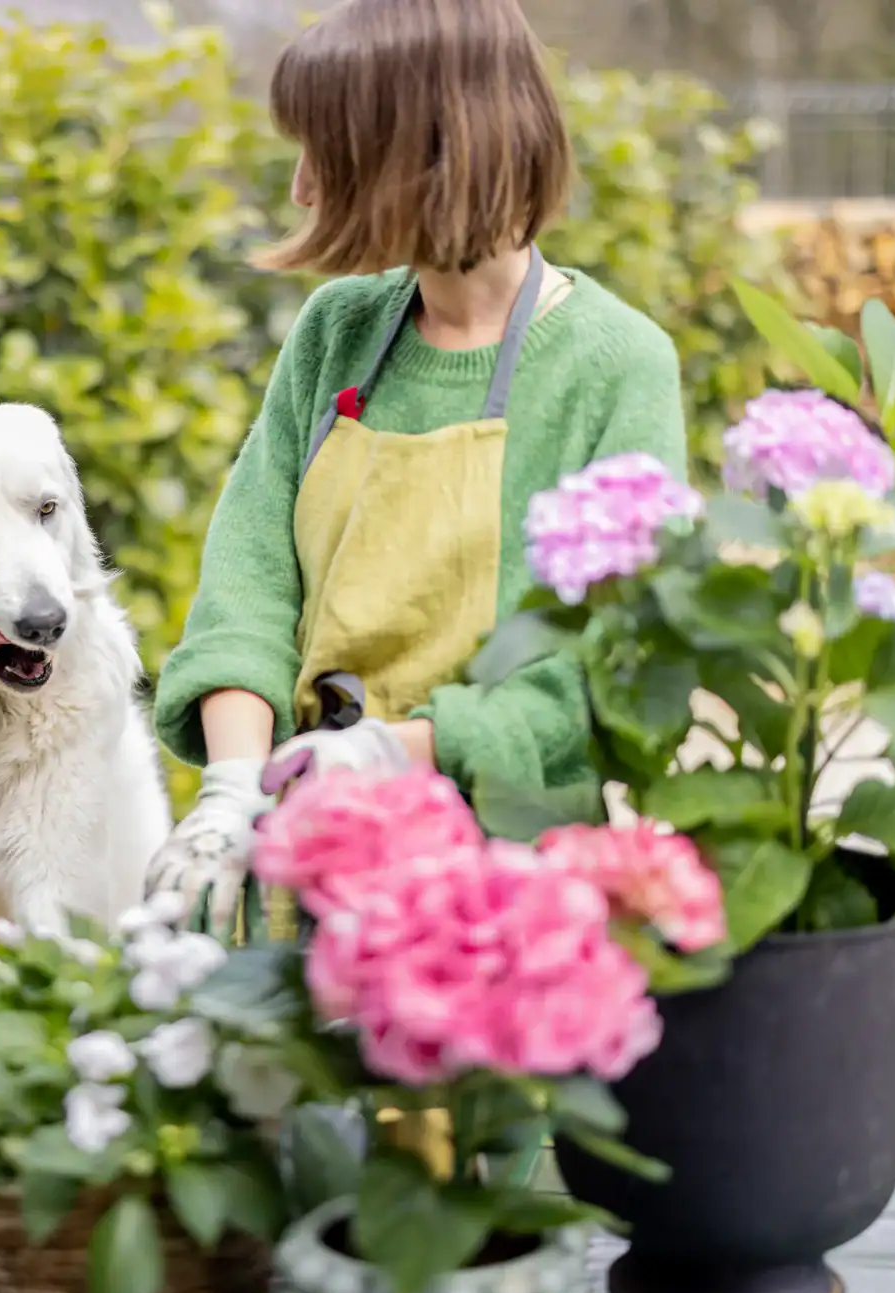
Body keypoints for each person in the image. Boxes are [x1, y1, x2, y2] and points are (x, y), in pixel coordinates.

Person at [145, 0, 690, 921]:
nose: (302, 190)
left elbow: (609, 677)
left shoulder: (614, 367)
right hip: (305, 860)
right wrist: (233, 791)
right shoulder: (338, 333)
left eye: (325, 154)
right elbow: (248, 580)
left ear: (415, 158)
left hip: (500, 892)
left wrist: (393, 753)